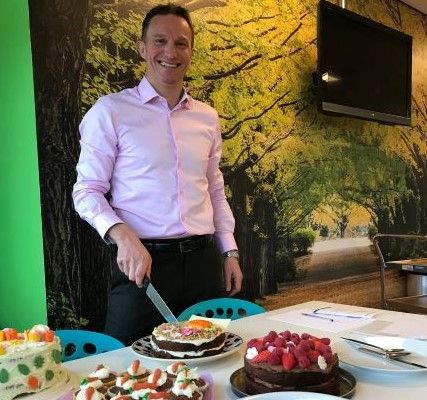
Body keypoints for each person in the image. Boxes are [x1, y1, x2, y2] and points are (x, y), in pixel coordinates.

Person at [72, 3, 243, 345]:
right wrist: (122, 235)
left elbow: (214, 188)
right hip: (143, 267)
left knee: (209, 362)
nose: (170, 52)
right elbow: (86, 191)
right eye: (159, 41)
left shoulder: (207, 117)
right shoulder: (111, 111)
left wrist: (229, 251)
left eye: (181, 43)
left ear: (191, 51)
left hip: (202, 265)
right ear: (142, 48)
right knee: (127, 366)